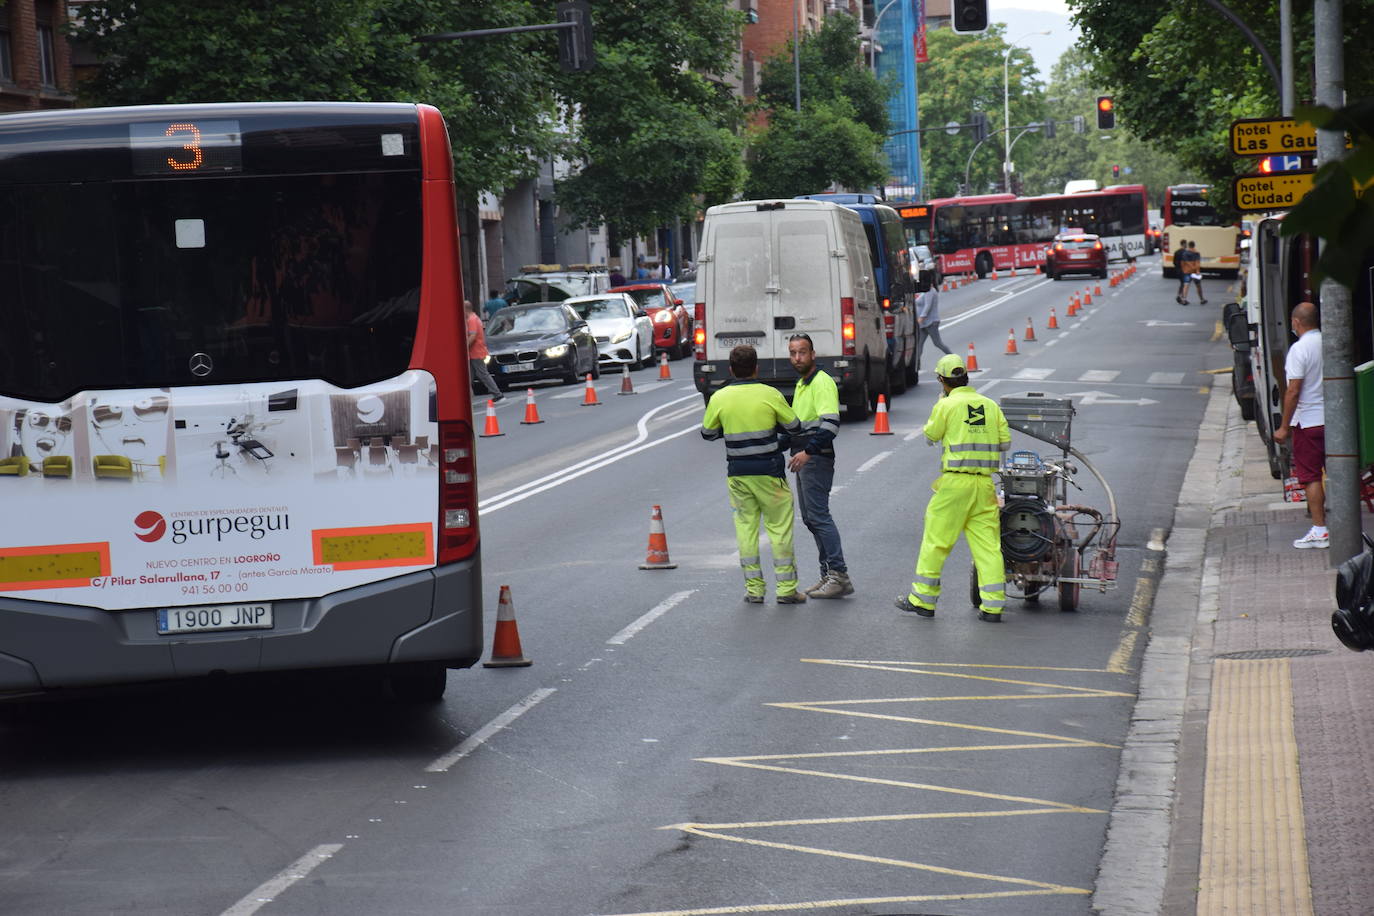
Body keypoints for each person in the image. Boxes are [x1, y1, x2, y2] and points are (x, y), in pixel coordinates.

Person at [895, 352, 1011, 622]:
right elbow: (1004, 443)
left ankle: (923, 600)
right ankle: (993, 606)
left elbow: (930, 435)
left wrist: (941, 406)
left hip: (955, 483)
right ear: (966, 376)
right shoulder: (990, 405)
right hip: (984, 485)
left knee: (936, 541)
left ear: (941, 380)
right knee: (988, 547)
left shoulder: (946, 406)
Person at [701, 345, 806, 604]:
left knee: (745, 529)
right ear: (756, 367)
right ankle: (786, 590)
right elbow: (794, 426)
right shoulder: (769, 394)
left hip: (738, 474)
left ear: (731, 369)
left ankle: (754, 589)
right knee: (779, 529)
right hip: (769, 473)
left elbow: (708, 433)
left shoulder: (720, 397)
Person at [785, 334, 852, 599]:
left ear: (813, 354)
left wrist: (808, 452)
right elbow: (799, 424)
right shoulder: (803, 383)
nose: (797, 358)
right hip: (804, 456)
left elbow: (830, 425)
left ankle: (839, 575)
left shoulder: (821, 382)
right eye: (793, 353)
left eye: (802, 352)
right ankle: (828, 575)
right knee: (811, 518)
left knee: (820, 517)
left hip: (815, 458)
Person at [1273, 301, 1326, 548]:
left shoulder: (1299, 349)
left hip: (1308, 422)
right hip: (1336, 419)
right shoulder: (1331, 341)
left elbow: (1293, 390)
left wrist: (1284, 426)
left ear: (1296, 322)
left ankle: (1319, 528)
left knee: (1311, 476)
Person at [465, 300, 503, 402]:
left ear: (465, 309)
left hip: (475, 351)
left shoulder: (471, 320)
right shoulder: (475, 318)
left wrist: (465, 346)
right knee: (469, 375)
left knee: (482, 374)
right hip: (475, 351)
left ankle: (498, 394)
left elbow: (473, 336)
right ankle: (466, 396)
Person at [914, 282, 952, 375]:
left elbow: (928, 306)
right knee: (919, 345)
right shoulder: (925, 291)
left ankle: (953, 358)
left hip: (931, 323)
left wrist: (921, 318)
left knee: (937, 343)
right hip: (924, 324)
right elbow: (919, 303)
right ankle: (916, 366)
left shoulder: (930, 291)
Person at [1173, 240, 1191, 304]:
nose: (1186, 245)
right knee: (1185, 284)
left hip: (1178, 270)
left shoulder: (1176, 252)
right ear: (1183, 244)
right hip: (1184, 270)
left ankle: (1179, 296)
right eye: (1186, 244)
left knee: (1182, 283)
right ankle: (1183, 298)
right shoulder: (1185, 252)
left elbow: (1174, 262)